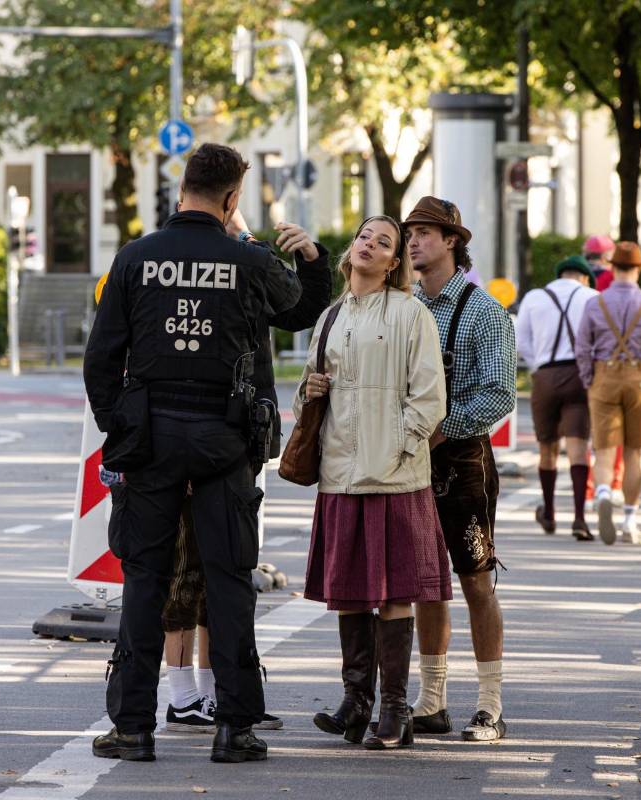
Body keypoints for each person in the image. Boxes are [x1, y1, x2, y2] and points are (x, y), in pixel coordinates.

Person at [83, 143, 301, 764]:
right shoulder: (247, 261)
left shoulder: (136, 258)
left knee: (144, 581)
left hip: (149, 440)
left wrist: (121, 430)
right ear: (233, 200)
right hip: (224, 443)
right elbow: (298, 305)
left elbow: (101, 360)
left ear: (181, 191)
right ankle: (235, 727)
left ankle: (132, 728)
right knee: (230, 583)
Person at [161, 211, 331, 734]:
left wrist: (311, 259)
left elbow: (299, 308)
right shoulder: (180, 257)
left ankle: (214, 693)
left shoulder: (246, 260)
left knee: (227, 572)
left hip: (229, 441)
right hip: (203, 439)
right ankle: (184, 693)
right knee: (188, 571)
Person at [300, 214, 449, 751]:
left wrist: (398, 449)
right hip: (340, 473)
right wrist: (310, 388)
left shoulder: (411, 314)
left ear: (393, 264)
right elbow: (309, 399)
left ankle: (393, 709)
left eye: (384, 243)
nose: (370, 244)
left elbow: (430, 398)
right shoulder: (331, 316)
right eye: (365, 236)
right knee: (348, 594)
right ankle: (355, 700)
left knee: (392, 595)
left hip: (394, 478)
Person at [406, 197, 517, 742]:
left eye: (424, 232)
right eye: (410, 233)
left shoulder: (481, 310)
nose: (413, 242)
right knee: (426, 583)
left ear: (452, 240)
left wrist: (442, 429)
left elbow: (499, 393)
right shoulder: (403, 305)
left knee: (475, 580)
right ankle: (431, 700)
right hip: (407, 461)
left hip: (461, 459)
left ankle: (490, 705)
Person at [575, 241, 641, 545]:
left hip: (604, 375)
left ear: (612, 267)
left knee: (604, 449)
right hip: (639, 378)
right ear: (639, 269)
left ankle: (603, 492)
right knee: (633, 453)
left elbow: (582, 347)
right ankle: (630, 521)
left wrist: (589, 378)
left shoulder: (595, 303)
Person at [516, 255, 599, 540]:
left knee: (547, 448)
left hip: (545, 378)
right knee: (578, 446)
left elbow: (520, 340)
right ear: (585, 277)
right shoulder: (592, 297)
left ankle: (549, 512)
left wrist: (538, 363)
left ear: (560, 274)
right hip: (579, 375)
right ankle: (579, 518)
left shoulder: (535, 297)